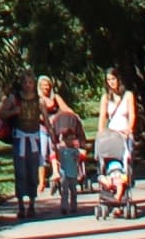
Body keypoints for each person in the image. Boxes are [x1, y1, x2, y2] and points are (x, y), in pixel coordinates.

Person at [0, 72, 47, 218]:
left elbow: (45, 119)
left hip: (34, 137)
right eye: (25, 82)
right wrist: (14, 111)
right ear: (21, 83)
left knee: (33, 170)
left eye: (30, 82)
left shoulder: (39, 100)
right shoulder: (15, 98)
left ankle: (32, 204)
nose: (28, 85)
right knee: (20, 171)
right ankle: (21, 205)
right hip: (19, 138)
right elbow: (2, 114)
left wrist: (52, 136)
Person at [95, 68, 137, 216]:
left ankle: (122, 197)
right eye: (108, 80)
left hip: (124, 134)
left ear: (118, 79)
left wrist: (129, 129)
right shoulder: (106, 97)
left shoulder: (128, 95)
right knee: (107, 164)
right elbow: (102, 119)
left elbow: (132, 115)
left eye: (113, 79)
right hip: (111, 135)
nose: (111, 82)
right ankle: (110, 195)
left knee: (125, 164)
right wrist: (100, 135)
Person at [46, 86, 87, 207]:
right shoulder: (60, 147)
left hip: (72, 172)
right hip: (64, 171)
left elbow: (78, 154)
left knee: (73, 191)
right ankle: (64, 206)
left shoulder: (73, 147)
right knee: (65, 191)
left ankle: (73, 205)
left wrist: (80, 152)